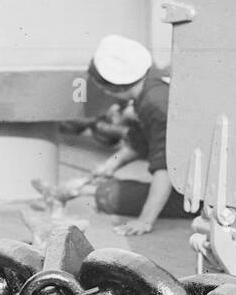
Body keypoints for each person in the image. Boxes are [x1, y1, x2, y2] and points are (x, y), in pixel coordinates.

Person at [81, 34, 190, 235]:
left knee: (109, 196)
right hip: (186, 182)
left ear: (111, 86)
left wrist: (144, 220)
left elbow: (164, 168)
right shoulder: (151, 89)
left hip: (194, 195)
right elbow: (137, 142)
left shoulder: (155, 105)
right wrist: (111, 164)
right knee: (109, 190)